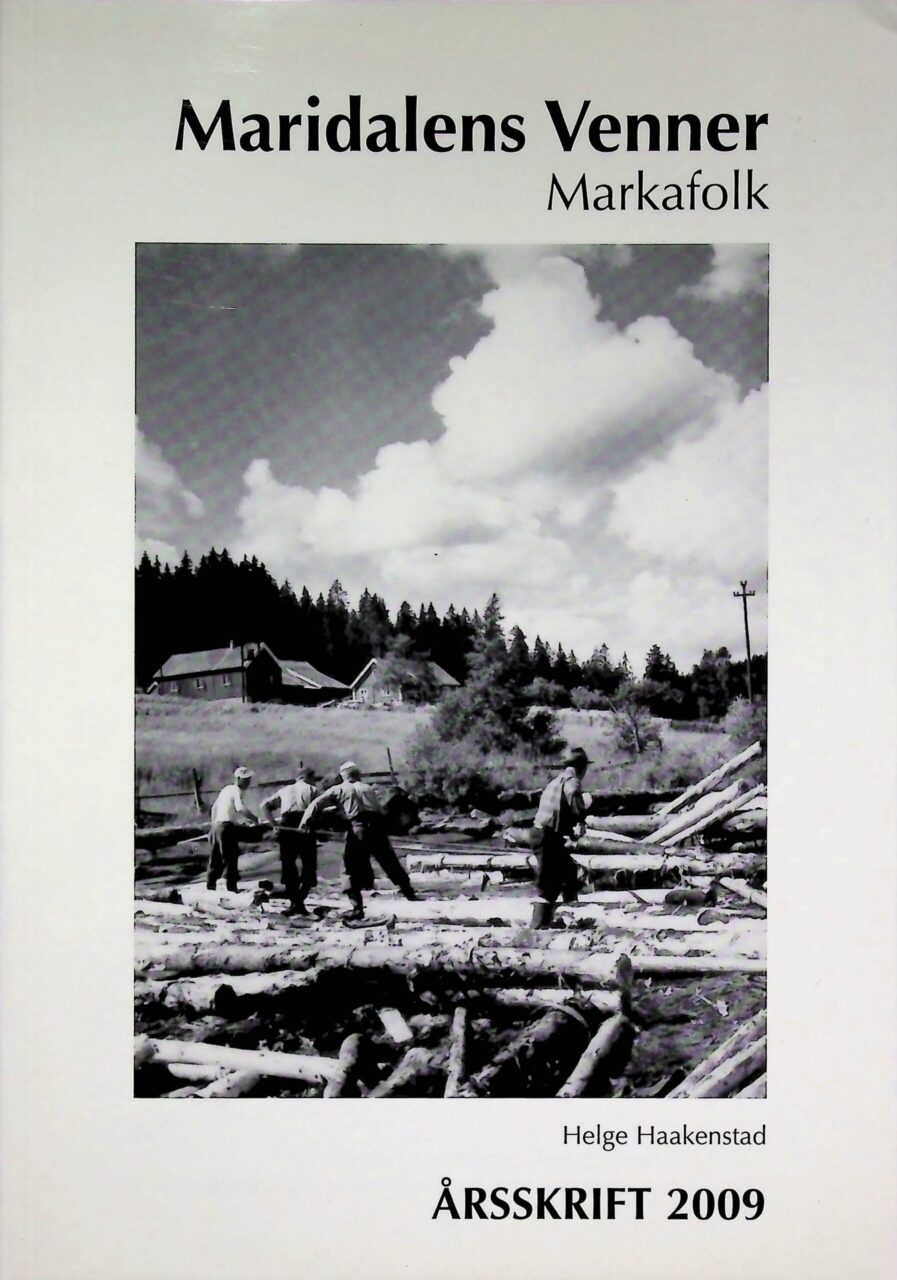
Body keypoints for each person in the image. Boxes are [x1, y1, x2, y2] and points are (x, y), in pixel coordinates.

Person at [299, 760, 417, 921]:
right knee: (389, 860)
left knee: (349, 867)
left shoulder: (338, 789)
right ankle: (409, 892)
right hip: (376, 826)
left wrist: (304, 823)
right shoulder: (368, 788)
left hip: (358, 827)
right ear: (358, 775)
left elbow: (315, 804)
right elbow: (380, 809)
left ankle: (357, 908)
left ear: (343, 776)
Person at [530, 746, 593, 928]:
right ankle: (538, 928)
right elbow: (572, 795)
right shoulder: (572, 781)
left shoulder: (556, 781)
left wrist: (570, 830)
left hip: (543, 833)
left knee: (569, 872)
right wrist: (580, 820)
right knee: (548, 884)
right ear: (581, 767)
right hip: (547, 836)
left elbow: (557, 811)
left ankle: (571, 916)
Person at [259, 765, 319, 916]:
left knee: (289, 865)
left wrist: (274, 825)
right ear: (308, 777)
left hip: (286, 825)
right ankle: (299, 902)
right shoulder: (312, 789)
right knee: (309, 865)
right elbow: (317, 811)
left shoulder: (285, 790)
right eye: (313, 777)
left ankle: (295, 902)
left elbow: (265, 806)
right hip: (304, 824)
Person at [207, 766, 259, 892]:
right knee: (230, 857)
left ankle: (210, 886)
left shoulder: (226, 789)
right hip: (226, 828)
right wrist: (254, 818)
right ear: (239, 779)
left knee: (215, 858)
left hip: (216, 826)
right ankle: (231, 888)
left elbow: (214, 808)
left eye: (249, 779)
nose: (248, 782)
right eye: (246, 779)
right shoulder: (236, 790)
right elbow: (240, 808)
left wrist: (214, 824)